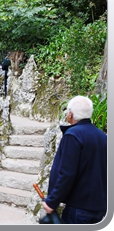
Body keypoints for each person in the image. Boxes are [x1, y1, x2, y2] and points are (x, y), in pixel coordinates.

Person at [42, 95, 107, 224]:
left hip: (79, 207)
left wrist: (51, 201)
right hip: (99, 207)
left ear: (70, 114)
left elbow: (67, 173)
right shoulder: (102, 136)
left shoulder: (73, 135)